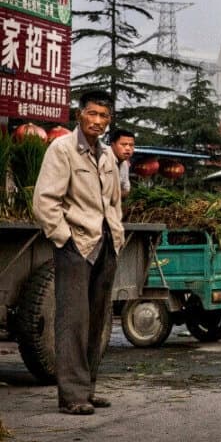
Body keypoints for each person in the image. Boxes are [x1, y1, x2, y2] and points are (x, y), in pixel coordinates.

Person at [32, 90, 125, 415]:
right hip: (76, 246)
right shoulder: (62, 149)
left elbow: (114, 201)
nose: (97, 121)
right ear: (79, 115)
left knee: (97, 322)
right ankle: (72, 396)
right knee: (73, 322)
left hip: (106, 245)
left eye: (104, 116)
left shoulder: (108, 155)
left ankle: (87, 389)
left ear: (109, 120)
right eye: (92, 114)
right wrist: (64, 238)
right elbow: (45, 201)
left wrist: (117, 233)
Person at [108, 128, 135, 199]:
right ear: (113, 145)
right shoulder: (102, 159)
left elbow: (126, 190)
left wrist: (114, 194)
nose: (128, 148)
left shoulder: (124, 164)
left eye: (131, 145)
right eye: (123, 144)